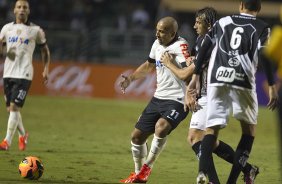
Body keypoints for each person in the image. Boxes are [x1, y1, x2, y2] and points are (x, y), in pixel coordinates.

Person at [161, 7, 259, 184]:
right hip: (203, 94)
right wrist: (190, 90)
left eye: (199, 22)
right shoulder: (200, 40)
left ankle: (213, 180)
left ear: (209, 24)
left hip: (212, 94)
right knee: (209, 142)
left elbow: (185, 74)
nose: (195, 25)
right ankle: (248, 168)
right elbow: (192, 70)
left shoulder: (213, 42)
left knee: (197, 137)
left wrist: (168, 63)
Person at [186, 0, 279, 183]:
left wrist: (196, 76)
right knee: (248, 131)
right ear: (258, 9)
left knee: (210, 130)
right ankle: (232, 181)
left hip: (217, 78)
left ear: (241, 5)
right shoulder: (262, 26)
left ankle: (202, 173)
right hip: (242, 80)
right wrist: (272, 85)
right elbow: (265, 57)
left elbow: (205, 46)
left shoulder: (223, 22)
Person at [119, 16, 193, 183]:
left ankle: (147, 168)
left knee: (161, 127)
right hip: (158, 98)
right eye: (157, 30)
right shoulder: (156, 44)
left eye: (162, 31)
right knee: (137, 137)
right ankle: (139, 175)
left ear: (173, 33)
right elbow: (148, 65)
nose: (157, 34)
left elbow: (189, 72)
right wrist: (130, 79)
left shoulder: (181, 46)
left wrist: (189, 93)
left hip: (178, 99)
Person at [0, 0, 50, 151]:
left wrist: (46, 68)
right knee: (11, 110)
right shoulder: (6, 29)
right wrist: (5, 52)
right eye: (19, 7)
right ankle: (23, 135)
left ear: (29, 11)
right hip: (8, 73)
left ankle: (6, 141)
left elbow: (45, 50)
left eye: (25, 7)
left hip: (25, 73)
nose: (22, 10)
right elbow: (1, 48)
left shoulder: (36, 30)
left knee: (14, 107)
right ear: (14, 10)